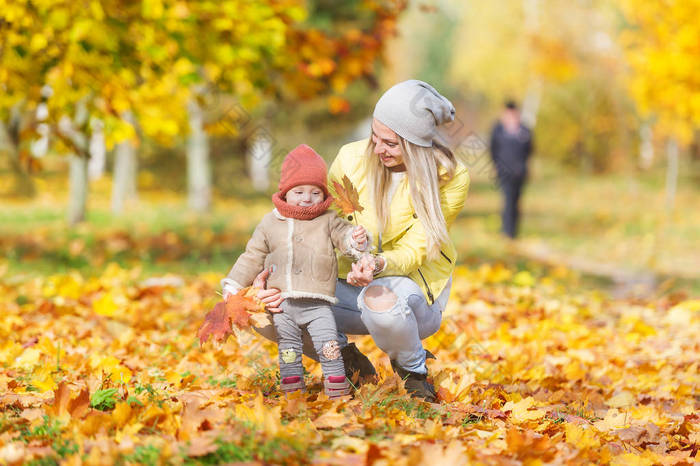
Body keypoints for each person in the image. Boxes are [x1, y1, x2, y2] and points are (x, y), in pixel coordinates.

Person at [251, 80, 469, 402]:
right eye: (374, 136)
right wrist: (271, 270)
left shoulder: (449, 176)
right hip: (344, 281)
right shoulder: (351, 158)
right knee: (269, 306)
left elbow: (416, 249)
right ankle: (346, 362)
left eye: (391, 144)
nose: (378, 149)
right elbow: (311, 219)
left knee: (379, 299)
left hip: (409, 291)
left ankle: (413, 374)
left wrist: (377, 264)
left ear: (416, 145)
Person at [220, 144, 370, 398]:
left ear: (323, 195)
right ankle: (293, 393)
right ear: (285, 192)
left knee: (330, 347)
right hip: (283, 305)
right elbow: (253, 255)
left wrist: (355, 240)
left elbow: (344, 238)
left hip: (318, 304)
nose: (306, 198)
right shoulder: (271, 223)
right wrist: (233, 285)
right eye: (299, 191)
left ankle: (338, 391)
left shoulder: (328, 220)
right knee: (289, 351)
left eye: (314, 192)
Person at [489, 100, 534, 239]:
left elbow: (530, 149)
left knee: (516, 201)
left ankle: (514, 230)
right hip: (504, 171)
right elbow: (492, 148)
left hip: (519, 172)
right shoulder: (498, 129)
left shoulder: (524, 130)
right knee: (507, 200)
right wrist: (495, 165)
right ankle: (507, 231)